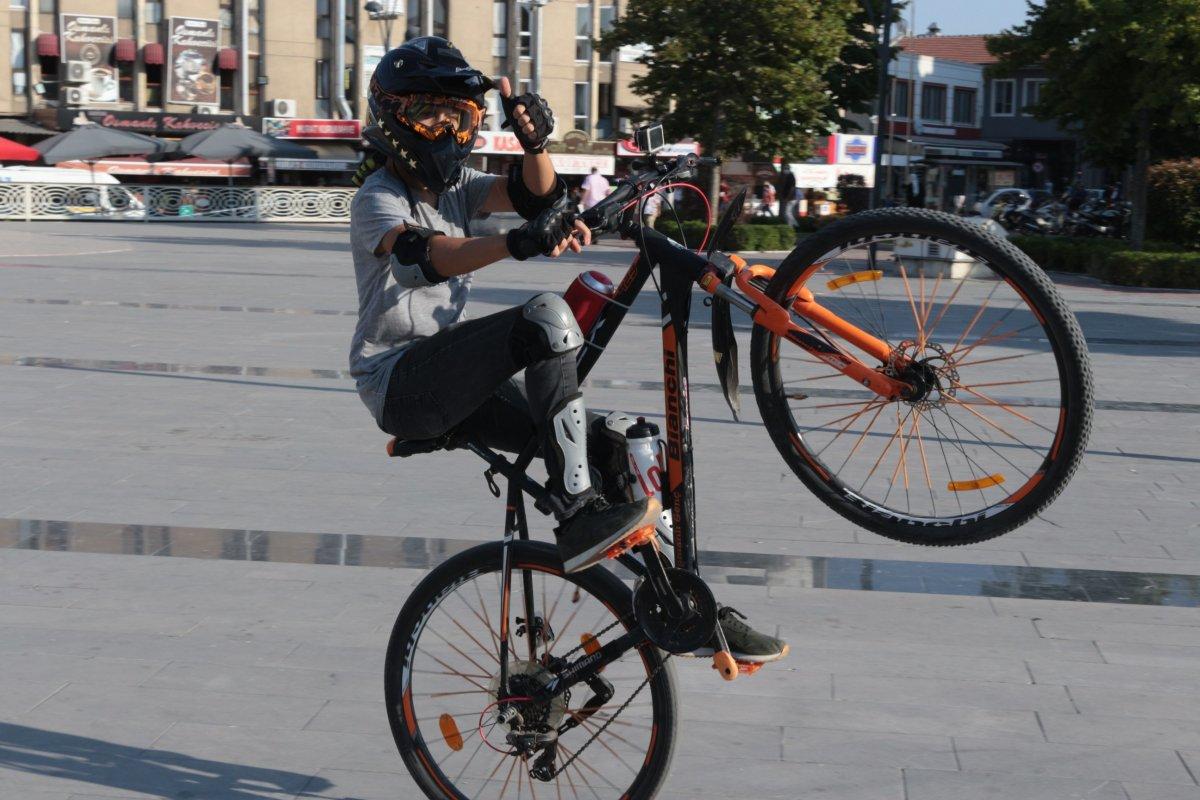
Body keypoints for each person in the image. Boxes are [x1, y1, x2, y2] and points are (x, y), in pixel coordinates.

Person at [349, 37, 787, 665]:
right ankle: (578, 513)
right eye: (430, 117)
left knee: (614, 441)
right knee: (546, 317)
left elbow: (530, 194)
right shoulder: (378, 197)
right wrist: (518, 245)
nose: (446, 132)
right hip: (401, 385)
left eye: (460, 118)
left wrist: (536, 147)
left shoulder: (459, 189)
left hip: (455, 379)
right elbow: (430, 257)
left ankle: (690, 608)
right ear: (393, 118)